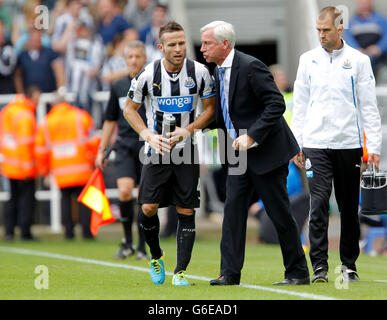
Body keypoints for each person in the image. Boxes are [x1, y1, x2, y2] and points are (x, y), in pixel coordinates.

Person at [200, 20, 309, 286]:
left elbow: (275, 103)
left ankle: (297, 272)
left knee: (280, 214)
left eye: (207, 43)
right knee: (233, 212)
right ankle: (229, 273)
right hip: (238, 156)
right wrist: (191, 127)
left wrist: (253, 136)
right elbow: (228, 114)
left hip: (267, 154)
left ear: (225, 44)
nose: (202, 49)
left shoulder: (250, 66)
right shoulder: (216, 72)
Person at [291, 6, 382, 283]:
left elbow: (369, 106)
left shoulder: (359, 61)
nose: (321, 35)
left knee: (347, 208)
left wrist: (374, 147)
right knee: (318, 203)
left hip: (349, 144)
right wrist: (297, 144)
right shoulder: (307, 60)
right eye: (318, 30)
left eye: (326, 30)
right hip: (316, 144)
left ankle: (348, 265)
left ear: (339, 28)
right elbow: (300, 104)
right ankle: (319, 266)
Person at [123, 21, 216, 286]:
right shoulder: (147, 74)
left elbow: (210, 109)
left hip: (186, 151)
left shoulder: (199, 72)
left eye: (182, 43)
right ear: (161, 47)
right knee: (148, 207)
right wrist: (148, 135)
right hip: (156, 150)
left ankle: (181, 271)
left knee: (186, 209)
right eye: (172, 44)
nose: (178, 49)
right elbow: (129, 109)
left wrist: (189, 129)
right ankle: (155, 256)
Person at [95, 40, 148, 260]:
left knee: (147, 199)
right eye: (130, 57)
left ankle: (144, 247)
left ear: (145, 58)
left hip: (148, 145)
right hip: (125, 144)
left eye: (138, 56)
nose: (134, 60)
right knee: (125, 191)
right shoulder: (118, 87)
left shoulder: (153, 84)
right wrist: (102, 149)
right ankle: (127, 242)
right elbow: (109, 120)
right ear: (125, 60)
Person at [35, 96, 100, 239]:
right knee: (84, 201)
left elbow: (40, 150)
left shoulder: (46, 122)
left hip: (60, 170)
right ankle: (87, 233)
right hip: (82, 167)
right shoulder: (81, 117)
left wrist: (45, 172)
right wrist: (96, 159)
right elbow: (94, 140)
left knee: (65, 201)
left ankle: (68, 233)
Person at [0, 86, 41, 241]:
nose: (38, 102)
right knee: (26, 201)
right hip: (23, 165)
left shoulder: (9, 110)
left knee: (12, 199)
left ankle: (9, 232)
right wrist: (28, 167)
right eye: (37, 98)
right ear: (31, 97)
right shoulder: (25, 115)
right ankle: (25, 232)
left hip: (9, 163)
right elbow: (25, 144)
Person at [14, 27, 65, 94]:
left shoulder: (49, 53)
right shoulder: (23, 55)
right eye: (34, 36)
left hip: (48, 96)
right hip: (29, 97)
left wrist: (61, 89)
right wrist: (20, 92)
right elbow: (17, 75)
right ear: (29, 38)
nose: (36, 39)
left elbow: (59, 68)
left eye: (38, 36)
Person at [344, 0, 387, 76]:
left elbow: (386, 37)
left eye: (365, 2)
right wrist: (357, 50)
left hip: (376, 55)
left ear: (371, 3)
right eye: (361, 2)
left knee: (368, 60)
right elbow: (348, 38)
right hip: (358, 54)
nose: (363, 4)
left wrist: (379, 48)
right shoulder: (352, 21)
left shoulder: (380, 19)